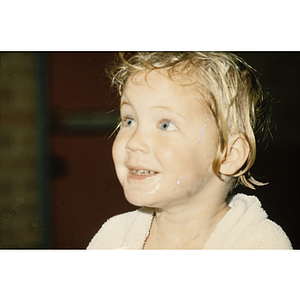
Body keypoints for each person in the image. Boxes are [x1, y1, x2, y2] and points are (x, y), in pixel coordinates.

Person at [87, 52, 292, 250]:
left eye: (165, 125)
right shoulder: (113, 237)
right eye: (129, 121)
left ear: (228, 154)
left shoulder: (258, 245)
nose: (133, 142)